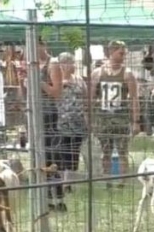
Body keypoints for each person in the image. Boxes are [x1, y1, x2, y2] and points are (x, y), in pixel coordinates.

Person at [89, 40, 139, 190]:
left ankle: (123, 182)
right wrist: (90, 117)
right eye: (120, 53)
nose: (123, 56)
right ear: (111, 52)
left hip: (121, 119)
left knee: (123, 151)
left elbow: (134, 98)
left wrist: (136, 121)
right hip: (103, 119)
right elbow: (91, 97)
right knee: (106, 152)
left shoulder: (128, 74)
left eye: (124, 53)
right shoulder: (97, 73)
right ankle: (107, 180)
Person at [33, 36, 64, 211]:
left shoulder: (52, 64)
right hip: (34, 116)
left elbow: (57, 92)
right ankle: (44, 199)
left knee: (52, 158)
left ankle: (59, 198)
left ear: (43, 45)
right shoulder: (30, 65)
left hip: (49, 116)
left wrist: (39, 83)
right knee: (38, 158)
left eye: (36, 45)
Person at [56, 52, 88, 196]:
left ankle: (69, 183)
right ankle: (63, 181)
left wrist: (87, 120)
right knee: (63, 153)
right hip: (62, 123)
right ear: (62, 65)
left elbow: (86, 99)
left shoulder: (79, 80)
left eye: (73, 62)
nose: (73, 65)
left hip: (78, 123)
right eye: (70, 63)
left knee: (74, 153)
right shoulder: (57, 81)